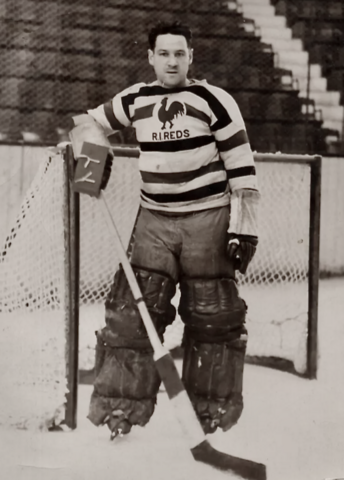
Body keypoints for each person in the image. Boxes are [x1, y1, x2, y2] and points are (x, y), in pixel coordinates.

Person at [69, 21, 260, 439]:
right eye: (164, 53)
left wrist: (244, 229)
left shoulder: (214, 99)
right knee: (130, 315)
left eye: (180, 53)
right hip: (154, 220)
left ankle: (210, 410)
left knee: (213, 315)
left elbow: (242, 168)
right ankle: (120, 410)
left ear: (191, 57)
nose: (172, 61)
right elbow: (87, 123)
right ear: (151, 56)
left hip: (207, 219)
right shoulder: (136, 98)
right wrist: (90, 160)